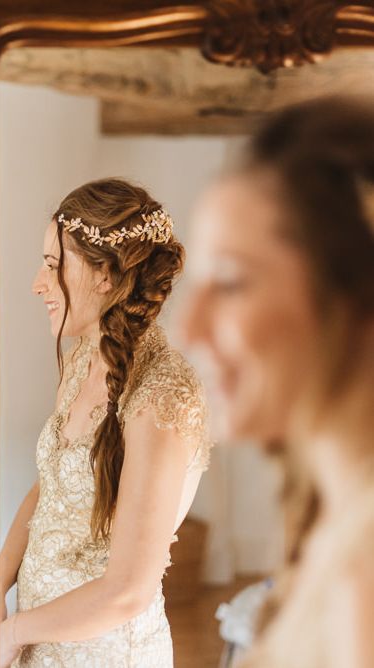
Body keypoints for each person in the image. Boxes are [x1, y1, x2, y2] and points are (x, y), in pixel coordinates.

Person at [181, 96, 374, 667]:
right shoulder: (332, 519)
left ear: (354, 294)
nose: (189, 329)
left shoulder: (363, 574)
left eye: (232, 282)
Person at [0, 178, 213, 667]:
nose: (37, 282)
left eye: (53, 265)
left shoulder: (161, 396)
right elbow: (52, 486)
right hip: (40, 644)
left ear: (105, 275)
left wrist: (12, 633)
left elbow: (128, 590)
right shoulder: (82, 362)